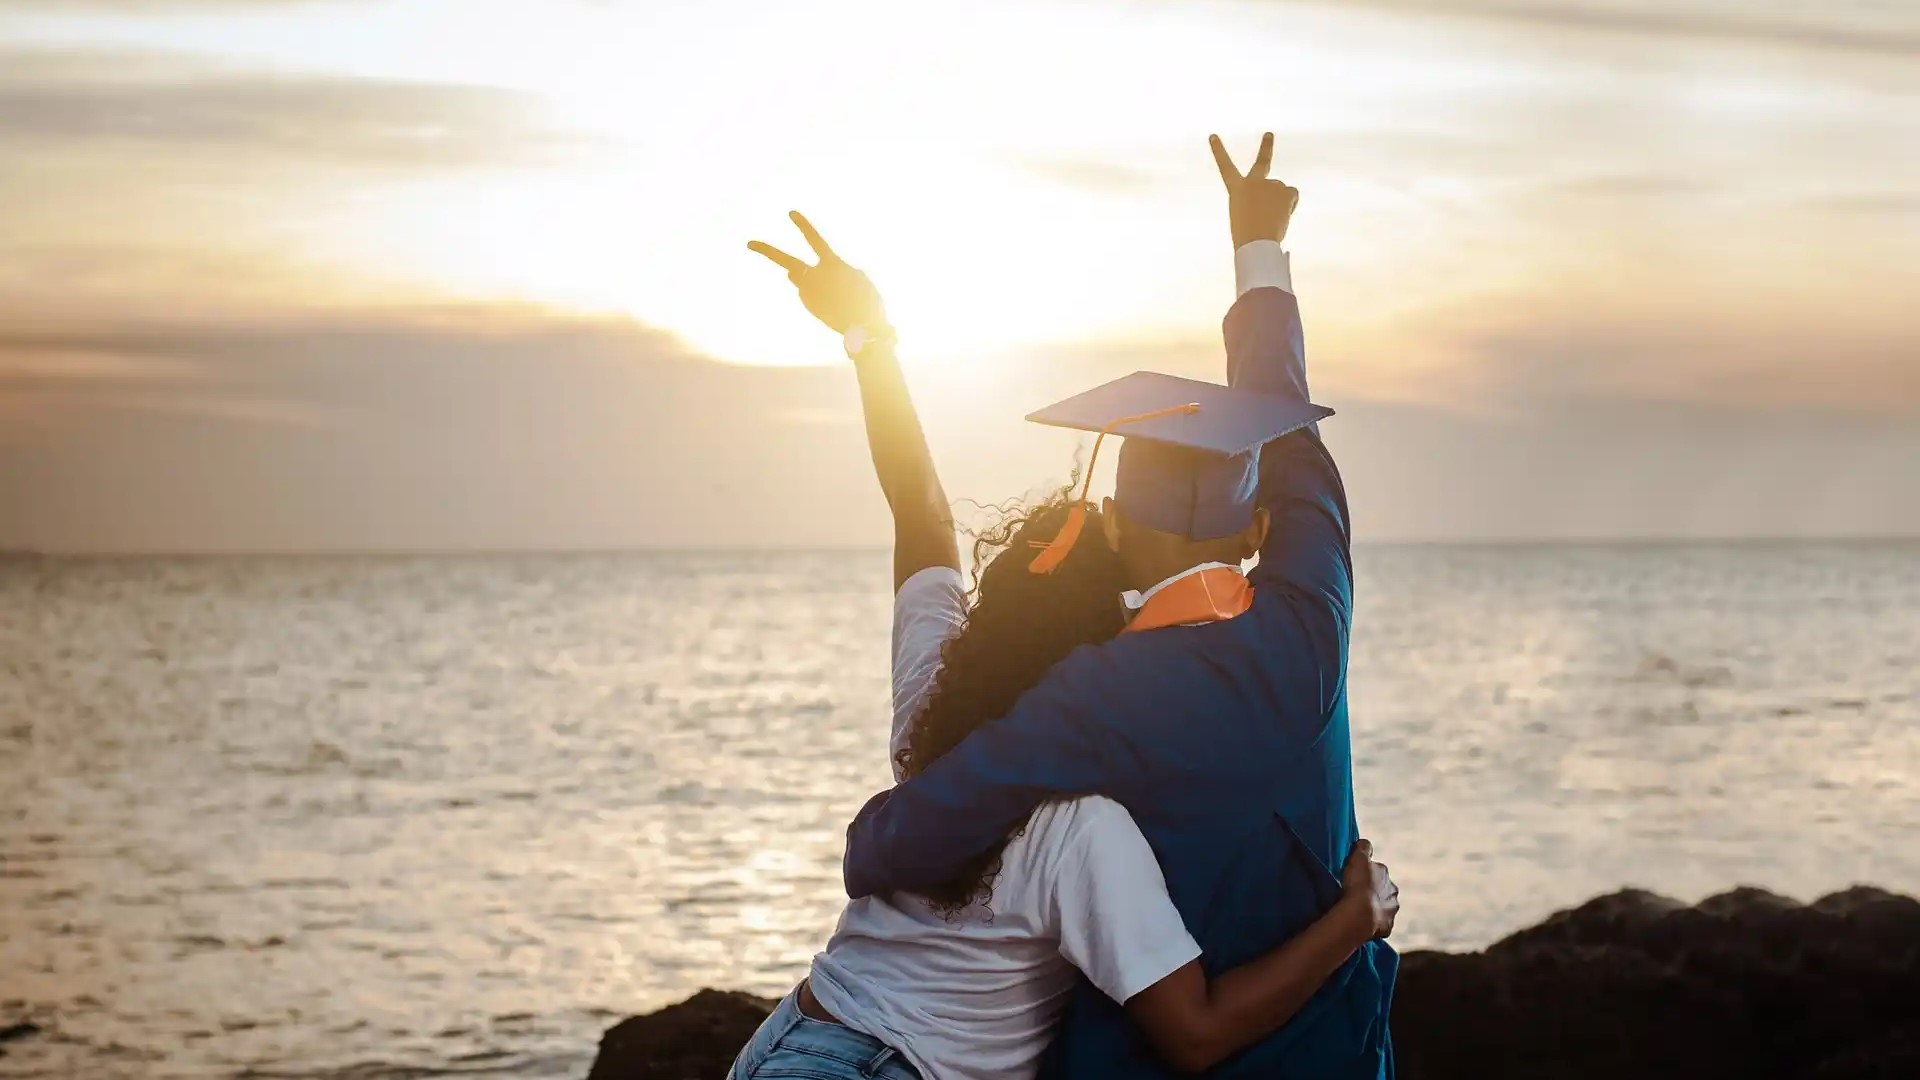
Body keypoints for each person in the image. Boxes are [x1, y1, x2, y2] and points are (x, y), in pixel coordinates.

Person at [726, 169, 1398, 1080]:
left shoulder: (1007, 693)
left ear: (1110, 528)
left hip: (795, 1036)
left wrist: (868, 339)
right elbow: (1294, 438)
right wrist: (1259, 252)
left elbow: (920, 517)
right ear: (1257, 531)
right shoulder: (1307, 629)